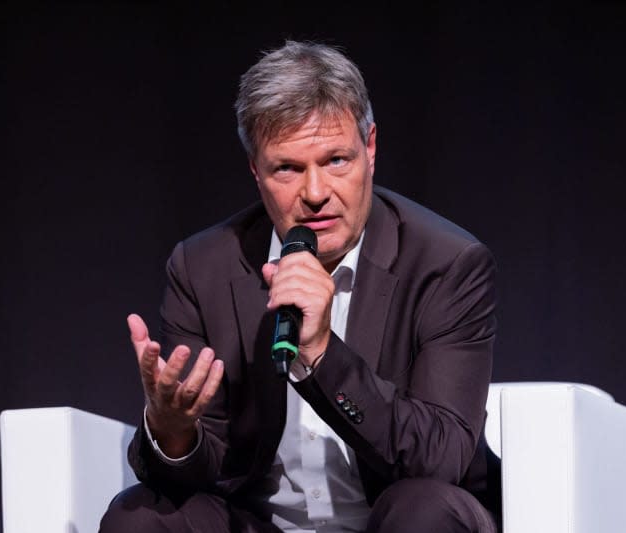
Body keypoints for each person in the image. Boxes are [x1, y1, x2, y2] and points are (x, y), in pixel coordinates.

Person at [100, 40, 499, 532]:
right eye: (287, 168)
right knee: (138, 517)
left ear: (370, 148)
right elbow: (206, 467)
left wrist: (322, 354)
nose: (315, 194)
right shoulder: (202, 267)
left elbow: (443, 458)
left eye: (336, 160)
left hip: (395, 518)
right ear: (255, 170)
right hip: (260, 523)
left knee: (426, 510)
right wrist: (173, 431)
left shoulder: (445, 263)